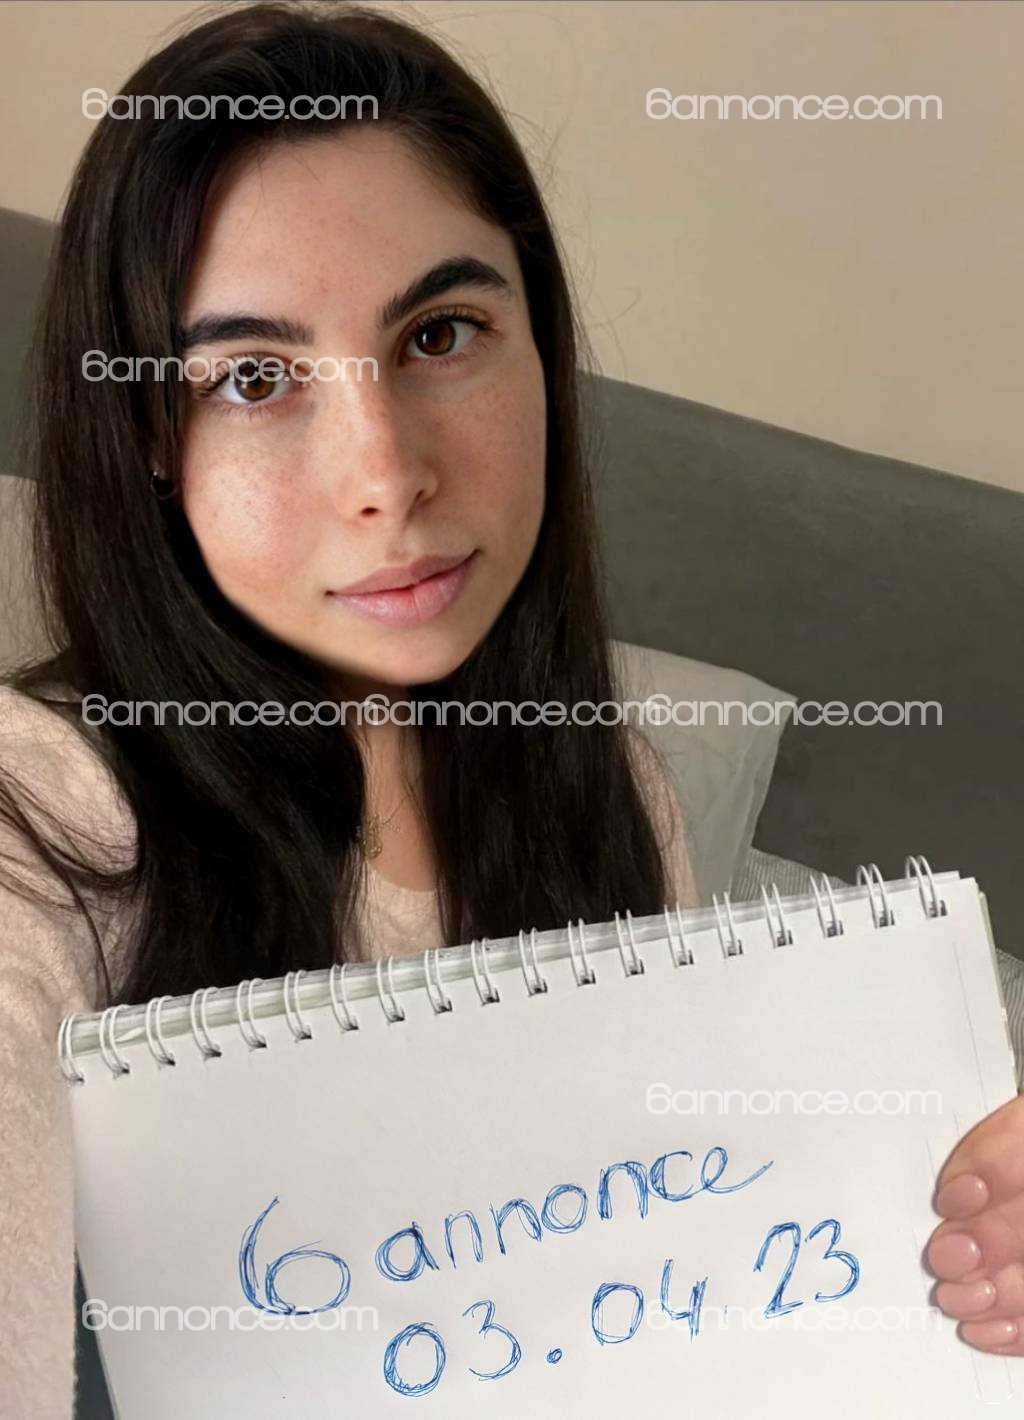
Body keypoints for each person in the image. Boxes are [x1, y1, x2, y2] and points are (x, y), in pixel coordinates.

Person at [0, 6, 1018, 1417]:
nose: (385, 474)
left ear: (540, 350)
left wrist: (955, 1245)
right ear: (146, 442)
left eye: (441, 333)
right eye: (253, 377)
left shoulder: (615, 791)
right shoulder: (41, 824)